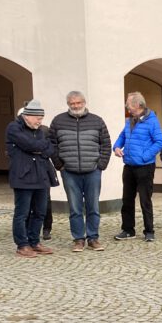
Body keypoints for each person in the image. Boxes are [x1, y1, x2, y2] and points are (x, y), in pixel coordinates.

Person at [49, 90, 111, 252]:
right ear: (68, 104)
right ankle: (78, 239)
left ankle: (93, 238)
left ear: (84, 103)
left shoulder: (97, 121)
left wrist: (101, 165)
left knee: (93, 207)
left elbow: (105, 144)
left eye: (78, 103)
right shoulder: (58, 121)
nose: (76, 106)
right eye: (72, 103)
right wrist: (59, 165)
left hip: (92, 171)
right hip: (69, 171)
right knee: (75, 208)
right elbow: (52, 145)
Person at [6, 100, 58, 257]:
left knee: (40, 212)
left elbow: (49, 149)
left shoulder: (39, 130)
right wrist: (38, 147)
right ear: (27, 116)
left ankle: (34, 241)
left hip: (41, 176)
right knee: (22, 213)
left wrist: (38, 147)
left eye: (41, 119)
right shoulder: (14, 128)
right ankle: (22, 245)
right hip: (23, 176)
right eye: (37, 118)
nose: (40, 122)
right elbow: (30, 145)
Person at [112, 92, 162, 242]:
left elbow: (160, 142)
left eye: (128, 104)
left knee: (145, 200)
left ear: (137, 105)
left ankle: (149, 231)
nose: (126, 107)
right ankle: (128, 230)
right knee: (127, 200)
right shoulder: (130, 120)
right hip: (129, 166)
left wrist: (144, 156)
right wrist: (116, 147)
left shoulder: (152, 121)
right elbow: (122, 136)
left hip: (144, 167)